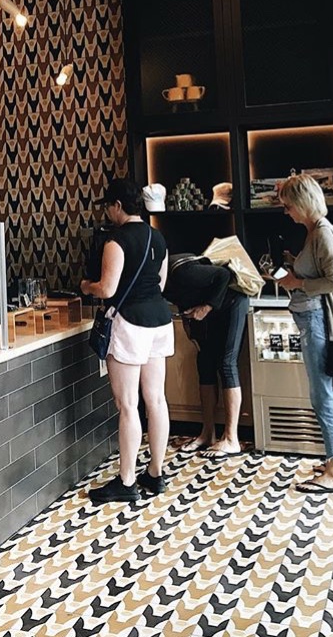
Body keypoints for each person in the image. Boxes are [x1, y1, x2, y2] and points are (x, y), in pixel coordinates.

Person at [80, 178, 174, 503]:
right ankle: (156, 473)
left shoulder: (116, 241)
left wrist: (85, 286)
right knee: (156, 399)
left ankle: (127, 480)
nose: (107, 212)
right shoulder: (158, 237)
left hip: (131, 323)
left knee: (128, 405)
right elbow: (161, 281)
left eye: (108, 206)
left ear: (117, 206)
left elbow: (107, 288)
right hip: (160, 321)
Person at [276, 173, 333, 493]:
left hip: (318, 322)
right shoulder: (314, 233)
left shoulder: (323, 234)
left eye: (288, 206)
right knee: (326, 394)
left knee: (323, 396)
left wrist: (297, 283)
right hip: (313, 321)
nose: (287, 212)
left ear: (302, 202)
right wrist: (293, 268)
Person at [164, 255, 249, 457]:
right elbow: (183, 300)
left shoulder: (180, 272)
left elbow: (223, 275)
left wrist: (206, 308)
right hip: (208, 313)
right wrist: (189, 324)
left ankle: (231, 439)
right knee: (205, 363)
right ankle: (207, 433)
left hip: (233, 304)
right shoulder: (161, 284)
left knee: (227, 364)